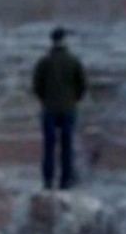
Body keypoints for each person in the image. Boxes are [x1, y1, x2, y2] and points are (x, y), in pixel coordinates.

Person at [31, 26, 88, 191]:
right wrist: (74, 100)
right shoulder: (73, 61)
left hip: (49, 109)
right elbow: (83, 85)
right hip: (68, 109)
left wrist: (45, 100)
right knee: (67, 145)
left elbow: (36, 86)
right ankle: (65, 181)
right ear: (65, 40)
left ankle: (48, 181)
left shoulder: (44, 62)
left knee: (49, 146)